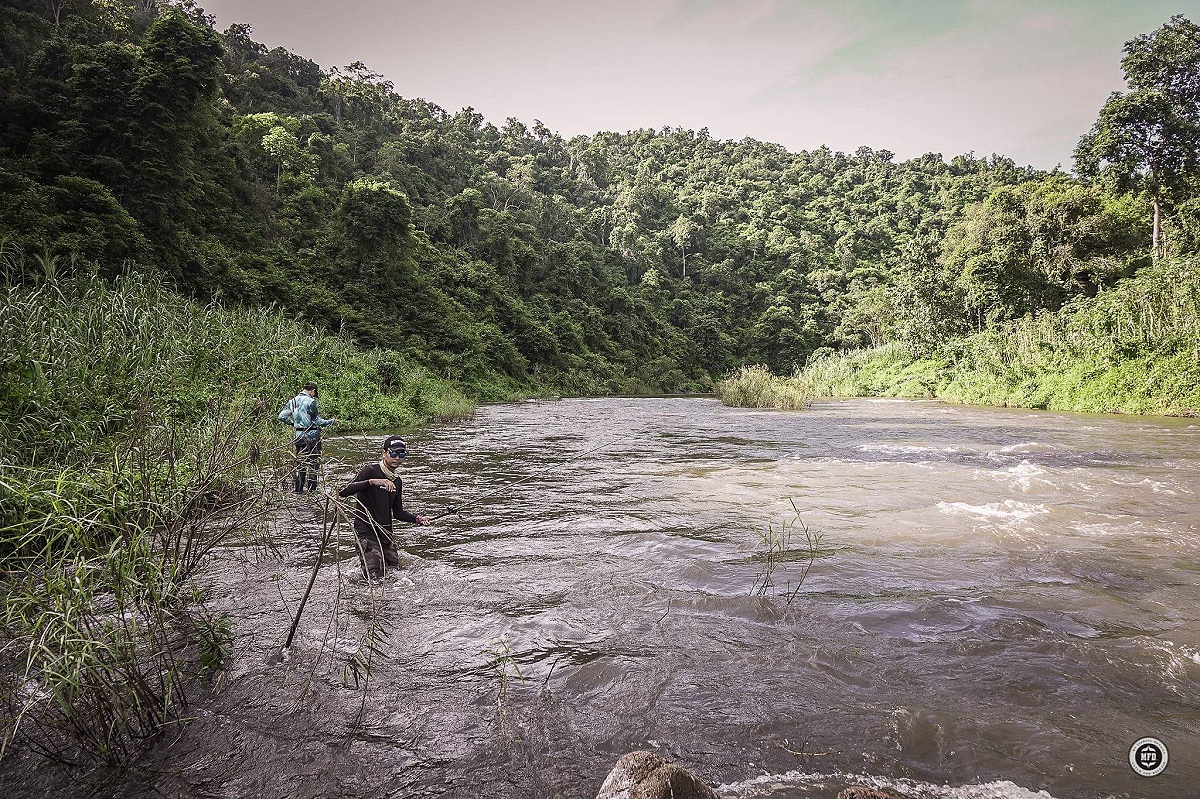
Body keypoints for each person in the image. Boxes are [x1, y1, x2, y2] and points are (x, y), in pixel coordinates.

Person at [339, 435, 431, 578]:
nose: (397, 457)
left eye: (401, 454)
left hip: (386, 534)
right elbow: (343, 491)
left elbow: (398, 513)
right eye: (393, 453)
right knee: (374, 577)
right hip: (366, 532)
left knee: (394, 574)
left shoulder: (397, 481)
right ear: (384, 453)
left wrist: (417, 519)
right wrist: (372, 482)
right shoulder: (369, 471)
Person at [283, 381, 336, 493]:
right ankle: (312, 492)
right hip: (312, 436)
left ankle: (298, 491)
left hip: (298, 437)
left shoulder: (292, 401)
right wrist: (331, 421)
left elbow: (281, 417)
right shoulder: (311, 402)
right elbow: (317, 421)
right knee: (313, 464)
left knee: (301, 464)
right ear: (313, 391)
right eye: (314, 393)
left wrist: (293, 424)